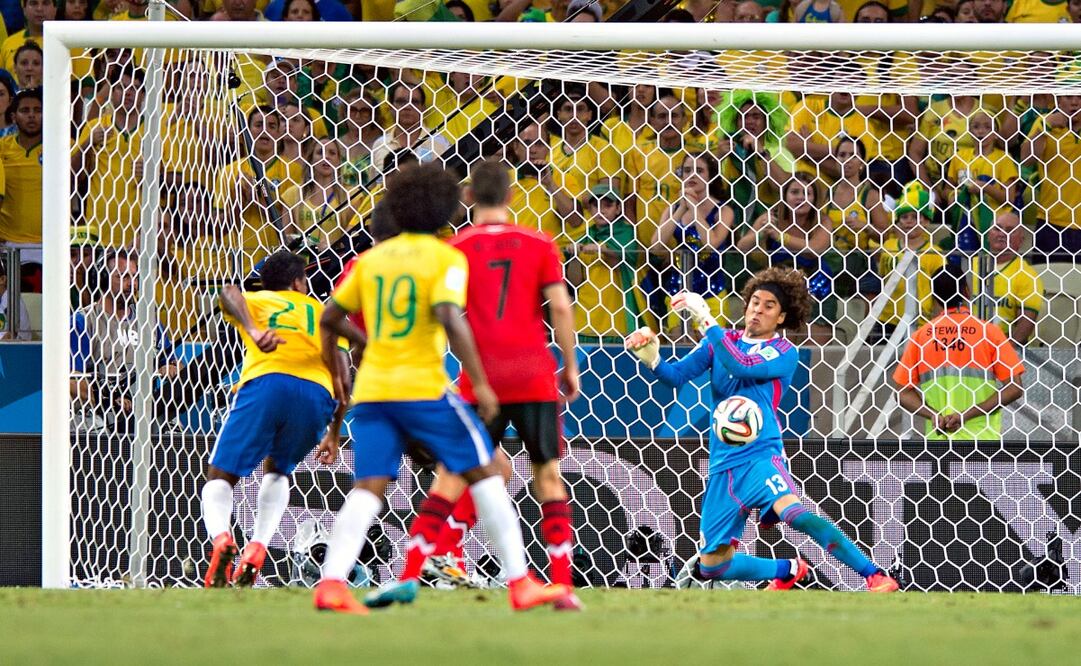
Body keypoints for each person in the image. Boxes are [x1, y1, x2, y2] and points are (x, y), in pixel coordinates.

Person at [313, 163, 570, 614]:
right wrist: (480, 381)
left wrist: (360, 349)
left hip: (372, 391)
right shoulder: (443, 256)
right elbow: (452, 316)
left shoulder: (368, 262)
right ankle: (519, 581)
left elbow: (329, 317)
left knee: (368, 487)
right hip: (424, 388)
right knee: (488, 472)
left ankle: (332, 583)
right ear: (445, 208)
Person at [624, 267, 899, 592]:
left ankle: (874, 575)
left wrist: (706, 319)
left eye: (769, 306)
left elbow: (742, 365)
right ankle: (789, 569)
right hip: (723, 463)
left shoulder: (784, 352)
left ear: (781, 317)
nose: (758, 310)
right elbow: (676, 377)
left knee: (794, 514)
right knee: (713, 565)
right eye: (755, 302)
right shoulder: (720, 342)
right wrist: (653, 360)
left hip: (760, 456)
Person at [405, 160, 583, 609]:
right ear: (511, 195)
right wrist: (570, 365)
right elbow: (561, 307)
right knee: (548, 476)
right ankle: (562, 585)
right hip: (533, 373)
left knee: (452, 474)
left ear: (468, 198)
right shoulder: (539, 243)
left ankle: (409, 574)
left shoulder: (455, 250)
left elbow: (443, 313)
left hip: (480, 378)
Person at [201, 250, 343, 588]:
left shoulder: (258, 300)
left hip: (267, 383)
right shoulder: (321, 311)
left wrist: (252, 329)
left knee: (220, 476)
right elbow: (343, 373)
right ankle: (258, 546)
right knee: (278, 470)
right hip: (317, 395)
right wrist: (335, 431)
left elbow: (228, 292)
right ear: (298, 282)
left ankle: (222, 538)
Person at [893, 263, 1024, 441]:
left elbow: (901, 393)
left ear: (934, 297)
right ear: (966, 291)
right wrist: (966, 415)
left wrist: (933, 415)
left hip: (938, 441)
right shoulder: (989, 332)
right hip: (982, 440)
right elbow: (1014, 388)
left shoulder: (921, 336)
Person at [568, 184, 647, 341]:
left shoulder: (627, 233)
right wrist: (575, 256)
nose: (601, 210)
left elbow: (620, 262)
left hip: (616, 323)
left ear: (618, 208)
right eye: (596, 206)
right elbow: (574, 281)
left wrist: (601, 249)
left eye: (607, 205)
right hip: (585, 321)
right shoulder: (585, 237)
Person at [1021, 94, 1081, 263]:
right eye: (1069, 97)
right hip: (1051, 222)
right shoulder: (1044, 121)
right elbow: (1027, 159)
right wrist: (1045, 127)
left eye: (1080, 97)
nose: (1075, 102)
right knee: (1046, 278)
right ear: (1058, 100)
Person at [973, 211, 1043, 346]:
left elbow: (1025, 325)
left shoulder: (1027, 275)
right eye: (997, 228)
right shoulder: (972, 265)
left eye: (1010, 230)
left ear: (1021, 240)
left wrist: (1004, 351)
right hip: (970, 345)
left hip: (1005, 348)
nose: (1002, 234)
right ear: (988, 235)